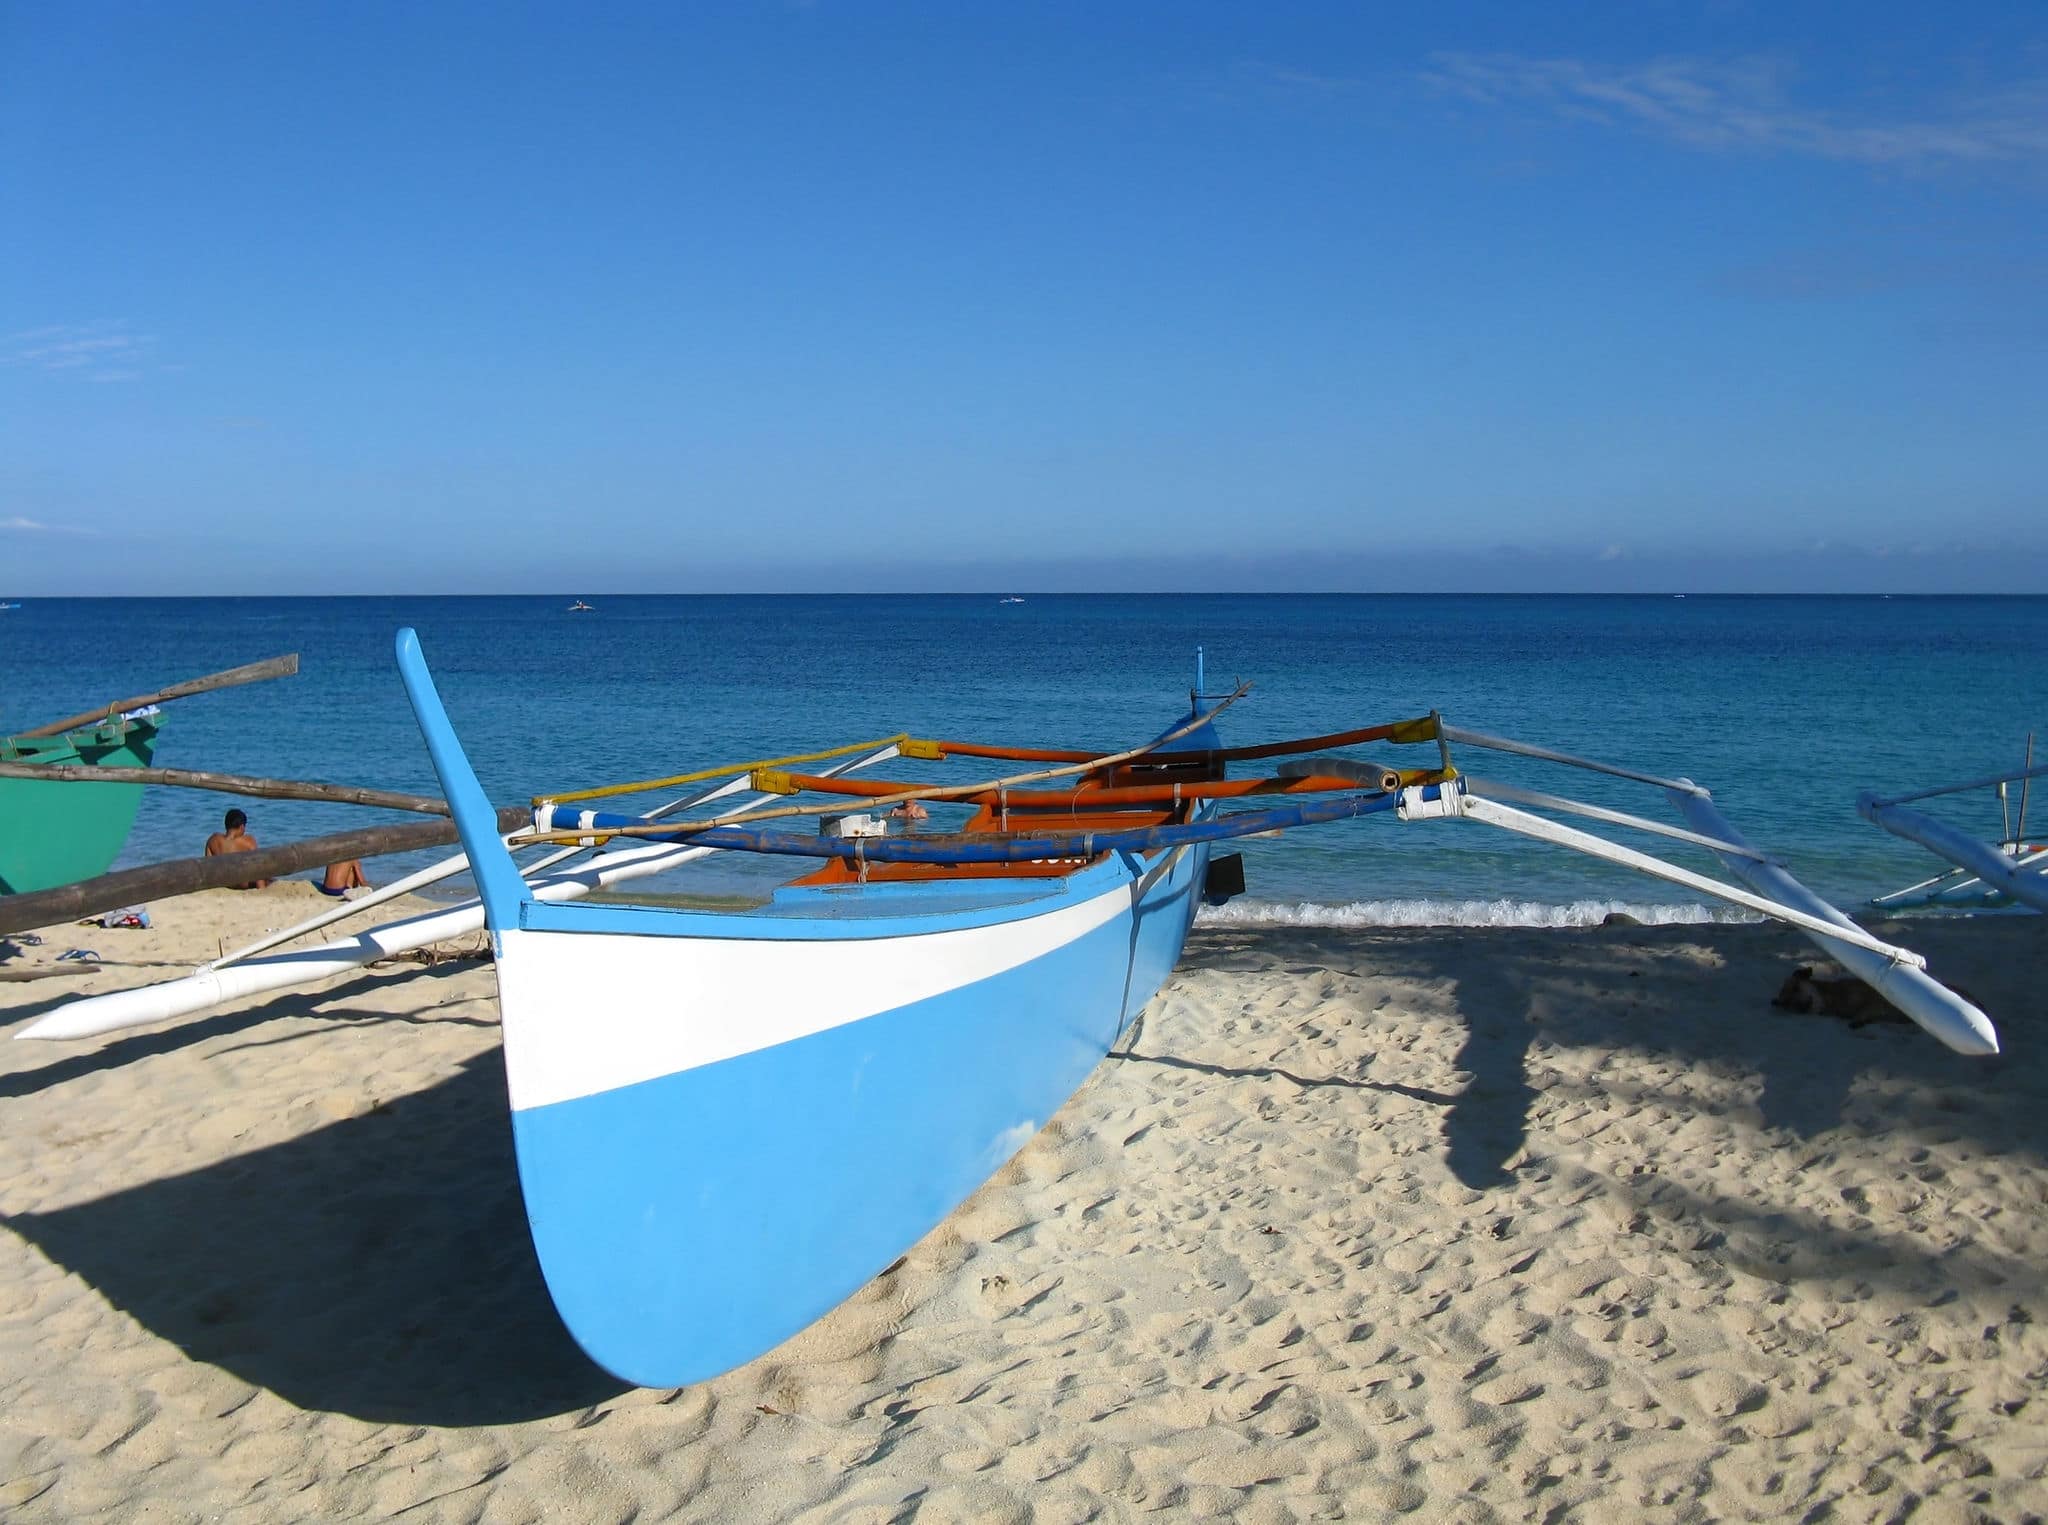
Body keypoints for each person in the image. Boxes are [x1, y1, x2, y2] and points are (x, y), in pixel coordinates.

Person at [204, 808, 271, 889]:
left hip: (221, 883)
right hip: (241, 884)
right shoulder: (248, 841)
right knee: (269, 879)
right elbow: (257, 867)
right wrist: (261, 887)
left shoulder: (213, 839)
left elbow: (208, 869)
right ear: (242, 826)